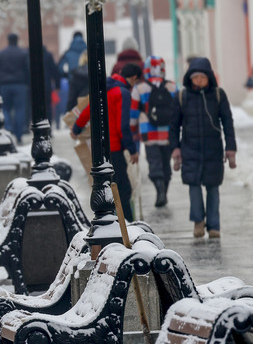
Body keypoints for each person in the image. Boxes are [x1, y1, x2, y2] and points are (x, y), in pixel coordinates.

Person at [169, 57, 236, 239]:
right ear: (189, 78)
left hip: (213, 150)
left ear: (209, 78)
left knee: (213, 188)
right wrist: (175, 149)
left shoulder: (218, 95)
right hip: (190, 149)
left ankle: (214, 226)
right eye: (195, 77)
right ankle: (198, 222)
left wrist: (231, 148)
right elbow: (174, 125)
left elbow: (228, 122)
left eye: (202, 77)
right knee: (194, 187)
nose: (198, 81)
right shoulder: (182, 97)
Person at [71, 64, 139, 221]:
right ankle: (127, 226)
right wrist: (132, 149)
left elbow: (88, 110)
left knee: (105, 188)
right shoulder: (122, 93)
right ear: (134, 78)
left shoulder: (104, 89)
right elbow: (123, 126)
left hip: (98, 148)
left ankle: (112, 222)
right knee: (123, 189)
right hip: (113, 148)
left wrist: (76, 128)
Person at [130, 56, 178, 207]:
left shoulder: (140, 88)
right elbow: (178, 110)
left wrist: (133, 130)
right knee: (165, 163)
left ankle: (160, 191)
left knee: (154, 162)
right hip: (168, 132)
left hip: (148, 132)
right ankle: (164, 191)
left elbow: (133, 113)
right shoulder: (172, 87)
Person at [0, 33, 31, 143]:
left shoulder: (1, 53)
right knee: (20, 110)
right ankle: (19, 133)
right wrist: (27, 83)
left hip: (4, 84)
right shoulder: (23, 53)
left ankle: (8, 128)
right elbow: (27, 70)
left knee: (5, 109)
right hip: (19, 84)